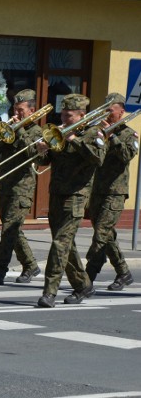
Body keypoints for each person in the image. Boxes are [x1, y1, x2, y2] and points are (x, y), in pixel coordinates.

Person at [35, 94, 106, 308]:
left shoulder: (94, 133)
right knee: (67, 246)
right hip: (56, 193)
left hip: (76, 195)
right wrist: (41, 151)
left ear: (82, 116)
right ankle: (83, 285)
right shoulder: (60, 131)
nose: (64, 119)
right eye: (63, 115)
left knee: (59, 245)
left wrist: (74, 140)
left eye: (69, 116)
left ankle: (49, 292)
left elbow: (98, 158)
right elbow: (46, 160)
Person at [0, 89, 43, 285]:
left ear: (32, 110)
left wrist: (18, 129)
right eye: (15, 110)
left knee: (9, 230)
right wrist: (1, 132)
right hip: (6, 185)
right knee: (13, 230)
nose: (16, 114)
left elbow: (32, 153)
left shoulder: (36, 131)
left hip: (22, 188)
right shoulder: (10, 128)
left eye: (20, 110)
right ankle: (30, 265)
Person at [85, 93, 138, 291]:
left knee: (101, 234)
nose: (106, 113)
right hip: (97, 189)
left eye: (110, 110)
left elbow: (126, 155)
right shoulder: (98, 132)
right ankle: (123, 273)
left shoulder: (129, 135)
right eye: (104, 109)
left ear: (121, 111)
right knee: (107, 235)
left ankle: (87, 277)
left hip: (115, 192)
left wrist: (111, 135)